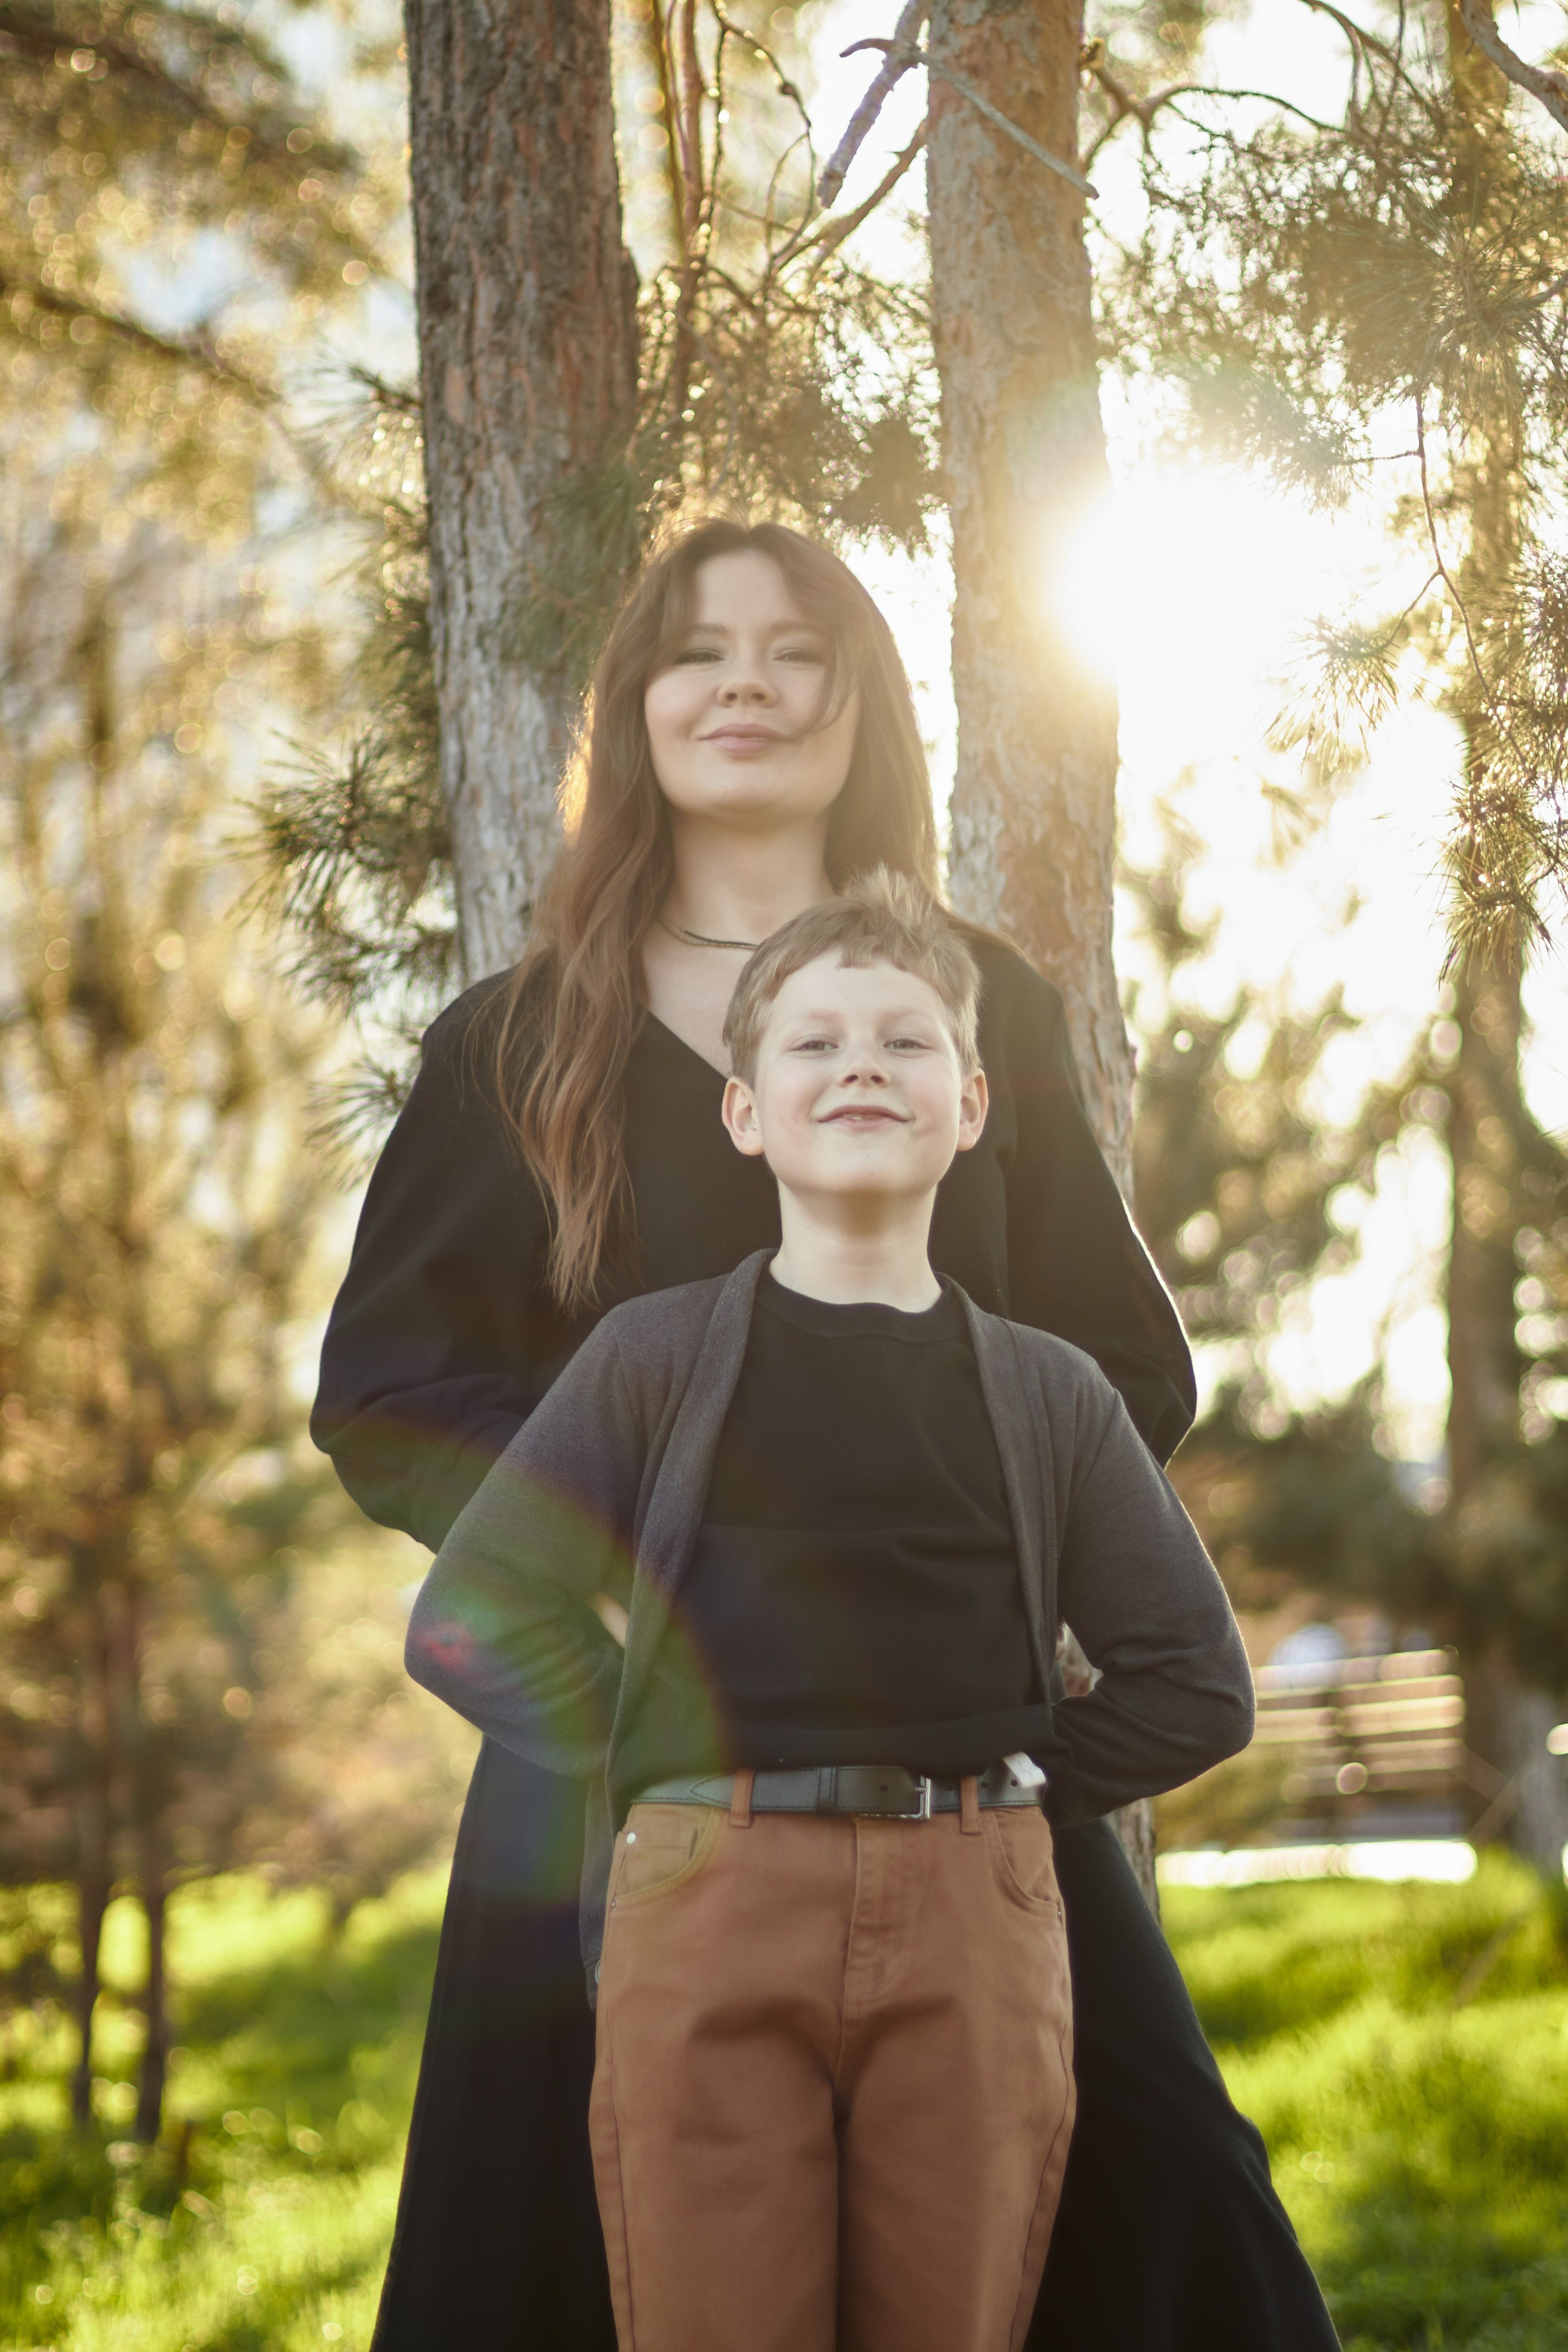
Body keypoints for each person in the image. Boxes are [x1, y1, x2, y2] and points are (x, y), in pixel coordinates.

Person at [313, 515, 1342, 2351]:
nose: (749, 687)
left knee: (1167, 2207)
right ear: (634, 708)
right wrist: (628, 1555)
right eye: (700, 653)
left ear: (864, 704)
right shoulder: (513, 1042)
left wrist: (959, 1542)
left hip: (962, 1756)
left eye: (799, 652)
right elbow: (387, 1394)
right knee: (563, 2252)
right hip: (619, 1755)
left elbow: (1120, 1362)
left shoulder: (976, 1011)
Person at [402, 875, 1257, 2352]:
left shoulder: (1049, 1392)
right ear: (743, 1113)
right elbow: (467, 1613)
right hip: (708, 1899)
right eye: (811, 1044)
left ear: (974, 1106)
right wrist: (647, 1765)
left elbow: (1194, 1679)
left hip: (974, 1916)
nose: (860, 1062)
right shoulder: (650, 1360)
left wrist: (1026, 1788)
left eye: (904, 1040)